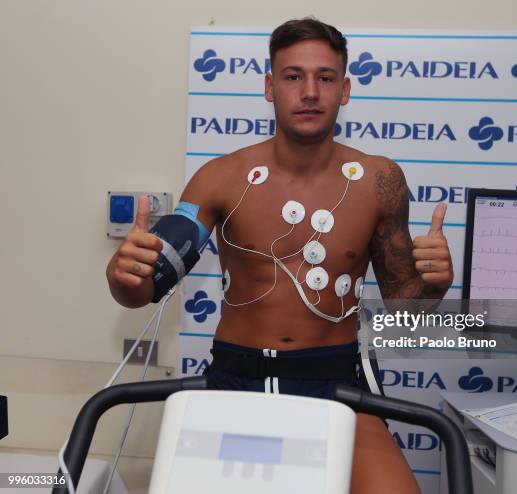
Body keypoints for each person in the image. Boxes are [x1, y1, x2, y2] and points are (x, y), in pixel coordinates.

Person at [106, 18, 453, 494]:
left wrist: (433, 286)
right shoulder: (221, 177)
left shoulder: (380, 180)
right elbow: (144, 289)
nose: (309, 91)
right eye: (293, 77)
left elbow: (402, 307)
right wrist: (123, 275)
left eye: (325, 78)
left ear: (345, 89)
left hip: (335, 382)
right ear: (270, 87)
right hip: (234, 380)